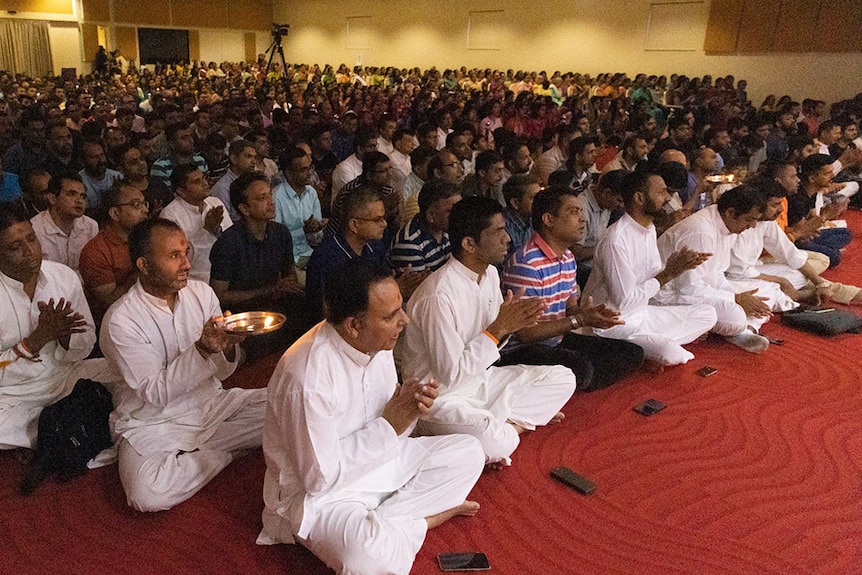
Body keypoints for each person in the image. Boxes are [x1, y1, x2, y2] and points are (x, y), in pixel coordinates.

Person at [258, 261, 484, 575]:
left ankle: (388, 524)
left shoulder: (377, 343)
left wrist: (409, 409)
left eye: (400, 309)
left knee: (470, 453)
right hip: (323, 499)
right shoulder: (307, 376)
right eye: (391, 316)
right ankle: (422, 520)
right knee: (366, 557)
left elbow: (393, 432)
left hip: (380, 466)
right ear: (353, 325)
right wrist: (390, 425)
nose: (404, 320)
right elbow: (318, 478)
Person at [101, 218, 266, 512]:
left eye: (186, 253)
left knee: (288, 407)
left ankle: (208, 447)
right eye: (174, 256)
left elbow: (225, 373)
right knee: (146, 495)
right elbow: (155, 393)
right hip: (152, 422)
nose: (187, 264)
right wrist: (202, 349)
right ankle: (220, 453)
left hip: (210, 404)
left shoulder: (201, 293)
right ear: (144, 264)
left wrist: (229, 346)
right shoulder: (121, 320)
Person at [403, 196, 575, 465]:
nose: (507, 238)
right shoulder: (438, 295)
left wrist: (513, 324)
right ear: (469, 243)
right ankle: (511, 425)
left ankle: (502, 423)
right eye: (497, 232)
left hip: (481, 382)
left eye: (505, 229)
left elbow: (494, 342)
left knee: (563, 378)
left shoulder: (491, 275)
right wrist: (500, 328)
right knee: (496, 440)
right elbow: (451, 374)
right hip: (441, 400)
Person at [500, 185, 644, 390]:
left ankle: (558, 385)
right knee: (581, 368)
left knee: (632, 353)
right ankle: (552, 385)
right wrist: (579, 320)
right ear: (549, 220)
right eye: (573, 212)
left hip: (555, 340)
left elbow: (570, 309)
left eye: (581, 212)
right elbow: (525, 334)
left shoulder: (567, 256)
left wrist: (589, 315)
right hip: (524, 350)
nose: (582, 219)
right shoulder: (526, 263)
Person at [0, 203, 114, 450]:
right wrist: (35, 341)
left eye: (31, 239)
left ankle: (55, 433)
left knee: (123, 371)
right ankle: (70, 430)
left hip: (66, 377)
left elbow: (87, 343)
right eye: (15, 246)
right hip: (12, 394)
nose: (30, 251)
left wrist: (65, 338)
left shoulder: (63, 277)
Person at [582, 172, 718, 366]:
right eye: (662, 192)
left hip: (643, 314)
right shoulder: (615, 241)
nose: (669, 198)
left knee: (708, 313)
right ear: (639, 198)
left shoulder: (649, 229)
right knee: (670, 353)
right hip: (613, 326)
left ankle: (645, 349)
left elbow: (650, 279)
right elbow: (624, 301)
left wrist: (679, 265)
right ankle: (647, 348)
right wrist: (668, 273)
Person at [656, 185, 773, 353]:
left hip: (699, 289)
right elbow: (687, 289)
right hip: (668, 295)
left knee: (765, 292)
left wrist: (738, 297)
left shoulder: (727, 225)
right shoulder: (701, 231)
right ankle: (740, 329)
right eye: (749, 219)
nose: (753, 225)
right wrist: (736, 299)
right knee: (735, 316)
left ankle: (744, 329)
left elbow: (716, 274)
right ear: (731, 212)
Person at [79, 181, 149, 324]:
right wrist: (145, 268)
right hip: (117, 321)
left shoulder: (147, 236)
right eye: (136, 204)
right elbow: (110, 302)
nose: (145, 210)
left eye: (144, 203)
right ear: (115, 213)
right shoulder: (96, 252)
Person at [161, 164, 232, 282]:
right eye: (196, 181)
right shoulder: (170, 215)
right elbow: (178, 258)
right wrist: (206, 231)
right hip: (193, 281)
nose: (205, 183)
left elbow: (231, 240)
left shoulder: (214, 202)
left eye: (204, 178)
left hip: (226, 274)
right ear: (181, 191)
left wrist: (217, 230)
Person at [273, 146, 325, 281]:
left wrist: (315, 229)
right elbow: (276, 240)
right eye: (304, 170)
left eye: (310, 168)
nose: (310, 173)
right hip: (289, 261)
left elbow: (318, 238)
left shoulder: (311, 192)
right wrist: (304, 230)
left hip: (309, 252)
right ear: (289, 173)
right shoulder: (276, 197)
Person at [30, 172, 99, 273]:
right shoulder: (35, 229)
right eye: (72, 194)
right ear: (52, 199)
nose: (79, 200)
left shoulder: (91, 225)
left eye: (83, 196)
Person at [389, 180, 461, 275]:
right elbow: (420, 288)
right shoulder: (410, 244)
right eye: (451, 211)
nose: (459, 214)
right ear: (431, 215)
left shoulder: (450, 228)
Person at [209, 139, 258, 223]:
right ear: (234, 159)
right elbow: (224, 224)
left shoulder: (253, 182)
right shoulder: (223, 188)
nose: (253, 161)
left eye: (255, 157)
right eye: (249, 156)